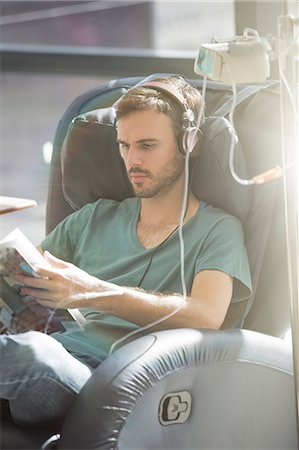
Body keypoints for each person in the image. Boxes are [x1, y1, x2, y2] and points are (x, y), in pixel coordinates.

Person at [0, 75, 252, 426]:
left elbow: (207, 316)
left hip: (111, 385)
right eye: (124, 145)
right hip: (47, 359)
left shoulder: (218, 229)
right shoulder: (92, 218)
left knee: (31, 355)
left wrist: (91, 292)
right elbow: (18, 276)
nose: (132, 160)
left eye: (147, 145)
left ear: (188, 143)